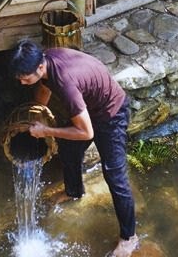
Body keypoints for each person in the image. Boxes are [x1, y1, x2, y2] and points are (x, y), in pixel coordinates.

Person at [10, 40, 139, 257]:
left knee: (115, 176)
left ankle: (129, 238)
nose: (23, 83)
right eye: (20, 79)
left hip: (111, 114)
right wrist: (37, 113)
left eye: (25, 78)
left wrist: (46, 131)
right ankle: (73, 191)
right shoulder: (46, 61)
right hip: (90, 109)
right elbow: (42, 89)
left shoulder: (66, 84)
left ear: (40, 67)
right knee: (69, 150)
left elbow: (86, 132)